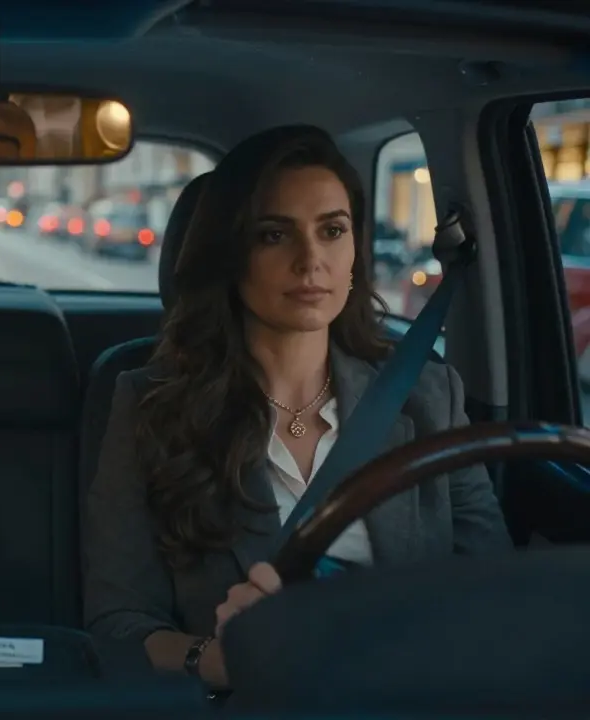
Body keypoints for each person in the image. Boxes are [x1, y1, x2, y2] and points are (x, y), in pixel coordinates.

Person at [81, 124, 512, 690]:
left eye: (332, 230)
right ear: (230, 253)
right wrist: (213, 658)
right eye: (273, 235)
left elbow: (496, 589)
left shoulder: (428, 395)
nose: (311, 260)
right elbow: (118, 624)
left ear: (355, 246)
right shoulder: (148, 406)